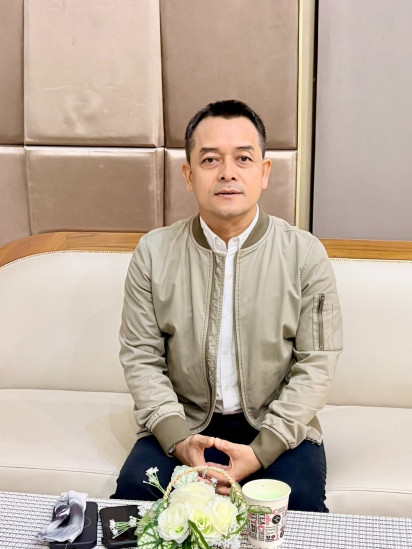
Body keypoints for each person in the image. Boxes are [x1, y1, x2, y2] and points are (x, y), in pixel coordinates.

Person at [113, 99, 342, 512]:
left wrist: (260, 452)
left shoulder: (305, 254)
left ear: (264, 172)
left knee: (297, 506)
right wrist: (179, 440)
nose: (227, 172)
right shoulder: (154, 253)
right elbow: (141, 357)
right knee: (135, 496)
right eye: (210, 159)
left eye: (243, 158)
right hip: (184, 423)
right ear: (189, 175)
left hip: (275, 428)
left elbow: (317, 363)